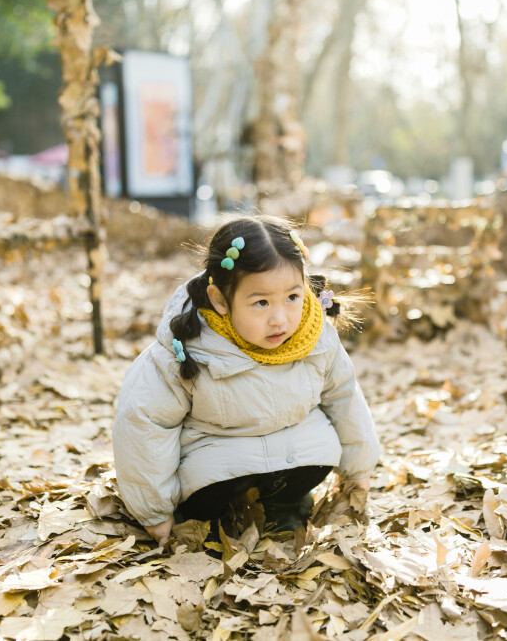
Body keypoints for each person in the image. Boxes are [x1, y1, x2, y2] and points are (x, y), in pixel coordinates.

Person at [112, 216, 380, 546]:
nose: (280, 318)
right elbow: (144, 423)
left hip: (294, 455)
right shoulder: (187, 348)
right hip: (217, 466)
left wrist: (359, 470)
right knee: (211, 496)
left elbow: (345, 396)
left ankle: (286, 505)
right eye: (261, 303)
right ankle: (205, 519)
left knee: (319, 451)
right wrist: (155, 511)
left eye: (292, 297)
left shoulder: (315, 337)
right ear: (220, 301)